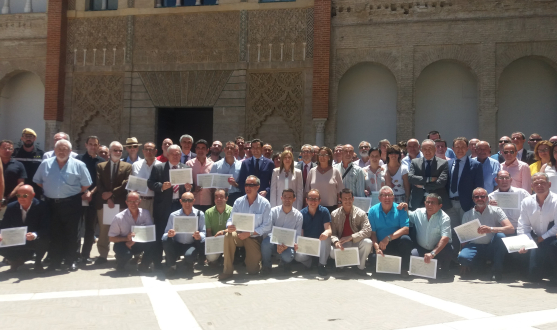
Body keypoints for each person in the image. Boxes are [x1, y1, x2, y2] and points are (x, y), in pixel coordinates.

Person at [33, 140, 92, 271]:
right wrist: (53, 189)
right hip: (51, 204)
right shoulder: (45, 164)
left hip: (72, 203)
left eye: (65, 149)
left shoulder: (79, 165)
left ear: (70, 152)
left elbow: (86, 184)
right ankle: (55, 261)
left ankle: (71, 260)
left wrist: (71, 192)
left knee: (72, 233)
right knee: (55, 233)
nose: (61, 151)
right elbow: (39, 182)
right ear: (54, 150)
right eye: (59, 148)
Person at [147, 144, 193, 269]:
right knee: (161, 232)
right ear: (167, 154)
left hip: (180, 206)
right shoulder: (159, 168)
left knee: (177, 232)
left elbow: (189, 186)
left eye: (178, 153)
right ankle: (157, 261)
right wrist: (161, 186)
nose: (176, 156)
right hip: (163, 207)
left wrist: (189, 188)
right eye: (173, 153)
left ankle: (172, 259)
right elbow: (150, 183)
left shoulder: (185, 168)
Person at [218, 176, 272, 281]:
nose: (248, 187)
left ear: (257, 187)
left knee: (253, 271)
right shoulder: (239, 201)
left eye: (251, 185)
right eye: (246, 184)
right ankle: (227, 271)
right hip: (239, 234)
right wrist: (229, 226)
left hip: (254, 237)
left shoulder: (265, 204)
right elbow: (230, 219)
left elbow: (267, 226)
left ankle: (253, 262)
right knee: (228, 235)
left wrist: (250, 233)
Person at [458, 188, 514, 281]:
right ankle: (483, 265)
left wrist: (491, 229)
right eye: (477, 197)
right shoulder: (467, 214)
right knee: (463, 258)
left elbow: (510, 229)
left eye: (482, 196)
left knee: (501, 236)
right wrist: (464, 263)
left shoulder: (496, 210)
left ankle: (497, 270)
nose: (480, 198)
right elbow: (464, 238)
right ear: (473, 199)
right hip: (474, 246)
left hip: (491, 246)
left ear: (487, 198)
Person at [94, 141, 132, 265]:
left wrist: (112, 194)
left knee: (121, 230)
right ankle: (102, 255)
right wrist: (108, 198)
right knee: (104, 230)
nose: (118, 152)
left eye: (120, 150)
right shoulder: (101, 166)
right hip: (104, 203)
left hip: (120, 203)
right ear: (109, 151)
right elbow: (99, 184)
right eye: (115, 150)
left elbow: (125, 184)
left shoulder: (127, 167)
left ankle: (120, 253)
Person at [446, 137, 484, 256]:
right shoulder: (448, 164)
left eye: (463, 147)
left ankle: (466, 259)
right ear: (453, 149)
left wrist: (476, 204)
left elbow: (479, 187)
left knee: (467, 233)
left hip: (467, 204)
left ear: (467, 148)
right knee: (453, 233)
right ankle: (453, 260)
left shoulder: (475, 165)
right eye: (457, 147)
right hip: (450, 204)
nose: (460, 149)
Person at [399, 193, 453, 278]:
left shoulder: (444, 218)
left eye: (433, 203)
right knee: (413, 256)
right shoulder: (418, 212)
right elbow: (408, 214)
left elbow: (445, 238)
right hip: (421, 248)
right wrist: (404, 208)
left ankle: (444, 271)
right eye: (428, 202)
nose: (429, 205)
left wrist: (432, 253)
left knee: (448, 250)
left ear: (440, 206)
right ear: (425, 203)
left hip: (438, 249)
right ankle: (429, 268)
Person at [517, 173, 557, 284]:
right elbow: (523, 225)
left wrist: (541, 238)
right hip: (536, 238)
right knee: (533, 277)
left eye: (543, 183)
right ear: (532, 186)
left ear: (549, 184)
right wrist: (524, 242)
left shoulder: (556, 200)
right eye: (536, 183)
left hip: (552, 238)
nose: (539, 185)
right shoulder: (526, 202)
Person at [0, 185, 49, 272]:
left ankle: (38, 262)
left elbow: (45, 227)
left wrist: (34, 235)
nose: (21, 198)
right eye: (19, 196)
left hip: (34, 238)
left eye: (25, 196)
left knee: (45, 239)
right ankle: (15, 260)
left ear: (33, 195)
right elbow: (4, 225)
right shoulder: (11, 207)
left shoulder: (42, 206)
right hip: (17, 237)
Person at [368, 186, 412, 277]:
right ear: (379, 198)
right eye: (384, 195)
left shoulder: (400, 209)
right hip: (381, 245)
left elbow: (406, 229)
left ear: (393, 197)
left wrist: (388, 238)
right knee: (373, 260)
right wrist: (377, 248)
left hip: (396, 243)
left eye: (389, 195)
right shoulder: (372, 211)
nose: (387, 198)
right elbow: (373, 233)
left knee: (406, 239)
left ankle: (404, 268)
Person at [108, 192, 155, 273]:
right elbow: (111, 238)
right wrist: (126, 239)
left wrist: (136, 238)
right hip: (123, 243)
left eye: (135, 201)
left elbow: (150, 232)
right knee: (125, 254)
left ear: (140, 201)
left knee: (154, 243)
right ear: (126, 202)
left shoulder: (145, 213)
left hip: (139, 242)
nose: (133, 204)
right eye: (130, 201)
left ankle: (144, 265)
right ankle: (120, 264)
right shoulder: (119, 217)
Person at [162, 191, 206, 276]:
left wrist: (199, 236)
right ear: (180, 201)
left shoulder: (199, 214)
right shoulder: (174, 215)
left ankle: (190, 262)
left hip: (191, 244)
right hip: (177, 244)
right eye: (184, 200)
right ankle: (172, 266)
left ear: (194, 201)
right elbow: (165, 234)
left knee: (189, 256)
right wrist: (169, 234)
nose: (187, 203)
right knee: (165, 239)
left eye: (190, 200)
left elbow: (203, 233)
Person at [261, 189, 303, 274]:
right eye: (285, 197)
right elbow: (268, 230)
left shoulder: (298, 215)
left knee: (288, 256)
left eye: (290, 197)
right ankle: (266, 266)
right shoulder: (273, 211)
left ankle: (285, 263)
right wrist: (278, 243)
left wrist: (286, 245)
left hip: (288, 245)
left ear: (294, 199)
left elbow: (297, 235)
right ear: (281, 198)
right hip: (273, 241)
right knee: (265, 244)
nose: (287, 199)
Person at [330, 188, 372, 275]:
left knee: (368, 242)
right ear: (340, 199)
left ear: (353, 199)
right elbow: (332, 233)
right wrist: (336, 242)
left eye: (349, 198)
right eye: (345, 199)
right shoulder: (334, 214)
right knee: (330, 251)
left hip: (356, 242)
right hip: (343, 244)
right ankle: (342, 265)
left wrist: (351, 237)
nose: (347, 201)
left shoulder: (361, 213)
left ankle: (360, 267)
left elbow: (368, 230)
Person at [76, 136, 104, 263]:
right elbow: (75, 179)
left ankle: (85, 254)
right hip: (79, 197)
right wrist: (84, 192)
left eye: (95, 144)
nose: (93, 147)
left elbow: (101, 182)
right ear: (86, 145)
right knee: (76, 227)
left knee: (90, 228)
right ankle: (75, 254)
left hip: (93, 199)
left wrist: (91, 193)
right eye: (90, 144)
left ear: (98, 146)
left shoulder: (102, 162)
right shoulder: (78, 160)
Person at [294, 189, 332, 276]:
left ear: (320, 200)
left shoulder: (324, 211)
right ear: (306, 200)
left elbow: (329, 229)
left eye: (316, 199)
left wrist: (326, 232)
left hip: (320, 244)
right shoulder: (301, 213)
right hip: (308, 245)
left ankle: (321, 265)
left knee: (327, 238)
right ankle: (310, 263)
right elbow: (301, 234)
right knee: (298, 256)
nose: (313, 201)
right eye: (310, 199)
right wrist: (298, 244)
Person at [408, 139, 449, 210]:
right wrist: (428, 179)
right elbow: (411, 178)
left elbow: (441, 183)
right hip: (417, 201)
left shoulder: (443, 163)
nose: (427, 151)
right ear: (421, 150)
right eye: (425, 149)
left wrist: (423, 186)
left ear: (435, 149)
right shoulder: (415, 162)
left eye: (430, 149)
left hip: (436, 201)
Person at [304, 147, 344, 213]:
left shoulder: (335, 171)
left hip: (332, 208)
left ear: (329, 157)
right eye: (320, 155)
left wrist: (339, 206)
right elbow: (307, 191)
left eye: (325, 155)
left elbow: (340, 192)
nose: (322, 157)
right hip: (314, 207)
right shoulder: (312, 171)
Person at [12, 128, 44, 198]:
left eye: (30, 137)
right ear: (22, 138)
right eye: (26, 136)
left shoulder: (41, 154)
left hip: (35, 190)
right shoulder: (15, 153)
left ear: (34, 139)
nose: (28, 139)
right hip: (18, 189)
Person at [204, 189, 233, 265]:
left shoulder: (232, 211)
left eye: (221, 197)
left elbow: (234, 229)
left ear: (226, 198)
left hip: (229, 240)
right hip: (215, 240)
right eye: (216, 197)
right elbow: (208, 232)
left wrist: (224, 232)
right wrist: (212, 246)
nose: (218, 199)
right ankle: (217, 258)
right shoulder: (208, 212)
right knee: (211, 257)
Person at [131, 141, 161, 215]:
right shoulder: (135, 165)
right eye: (146, 150)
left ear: (155, 151)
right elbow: (131, 184)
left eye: (151, 150)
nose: (148, 152)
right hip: (140, 201)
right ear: (143, 151)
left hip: (155, 201)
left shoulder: (161, 166)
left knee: (153, 225)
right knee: (139, 224)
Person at [210, 141, 243, 206]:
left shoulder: (241, 165)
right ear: (224, 150)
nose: (229, 150)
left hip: (236, 196)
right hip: (220, 197)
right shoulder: (216, 165)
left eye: (232, 148)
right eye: (227, 148)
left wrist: (235, 184)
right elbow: (211, 183)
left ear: (235, 150)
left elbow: (243, 183)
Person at [186, 139, 214, 212]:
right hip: (193, 201)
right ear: (195, 150)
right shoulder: (188, 164)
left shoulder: (213, 165)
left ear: (207, 150)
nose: (200, 150)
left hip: (207, 201)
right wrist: (193, 188)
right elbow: (185, 182)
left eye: (203, 148)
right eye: (198, 148)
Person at [1, 140, 27, 209]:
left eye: (10, 149)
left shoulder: (19, 165)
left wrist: (8, 197)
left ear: (13, 151)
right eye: (4, 148)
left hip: (12, 201)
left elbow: (21, 183)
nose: (7, 150)